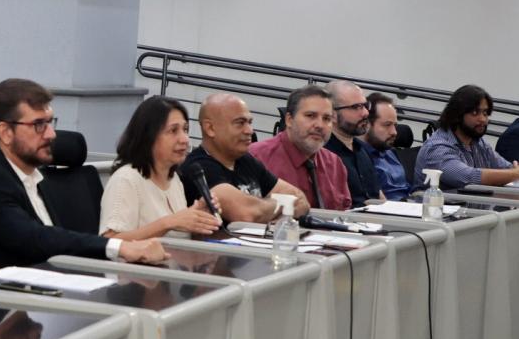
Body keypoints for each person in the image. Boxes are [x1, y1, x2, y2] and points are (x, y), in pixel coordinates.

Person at [0, 78, 167, 276]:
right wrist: (120, 247)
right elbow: (36, 239)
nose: (51, 134)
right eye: (38, 125)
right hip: (7, 300)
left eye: (50, 122)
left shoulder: (34, 177)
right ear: (6, 132)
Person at [99, 96, 222, 240]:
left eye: (185, 129)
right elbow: (110, 241)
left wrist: (199, 219)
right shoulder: (126, 180)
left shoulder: (174, 179)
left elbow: (178, 238)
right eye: (173, 131)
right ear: (148, 136)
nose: (185, 139)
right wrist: (169, 223)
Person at [179, 93, 309, 223]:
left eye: (249, 122)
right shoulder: (198, 168)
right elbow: (247, 214)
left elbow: (301, 200)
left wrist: (264, 210)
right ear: (210, 128)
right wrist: (284, 204)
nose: (250, 131)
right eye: (240, 123)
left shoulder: (246, 160)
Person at [415, 84, 519, 190]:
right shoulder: (437, 147)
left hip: (473, 209)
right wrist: (517, 173)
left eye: (485, 113)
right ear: (457, 114)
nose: (483, 119)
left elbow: (506, 168)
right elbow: (469, 177)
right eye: (475, 113)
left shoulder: (479, 143)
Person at [248, 85, 352, 210]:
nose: (320, 125)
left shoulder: (335, 164)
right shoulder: (255, 157)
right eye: (310, 115)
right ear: (289, 120)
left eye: (326, 118)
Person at [323, 80, 380, 204]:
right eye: (356, 107)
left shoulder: (363, 150)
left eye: (365, 105)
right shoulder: (323, 154)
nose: (365, 113)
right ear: (332, 114)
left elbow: (378, 196)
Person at [361, 92, 412, 201]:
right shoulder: (359, 157)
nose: (394, 132)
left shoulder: (390, 151)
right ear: (367, 124)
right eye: (387, 125)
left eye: (395, 125)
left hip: (409, 205)